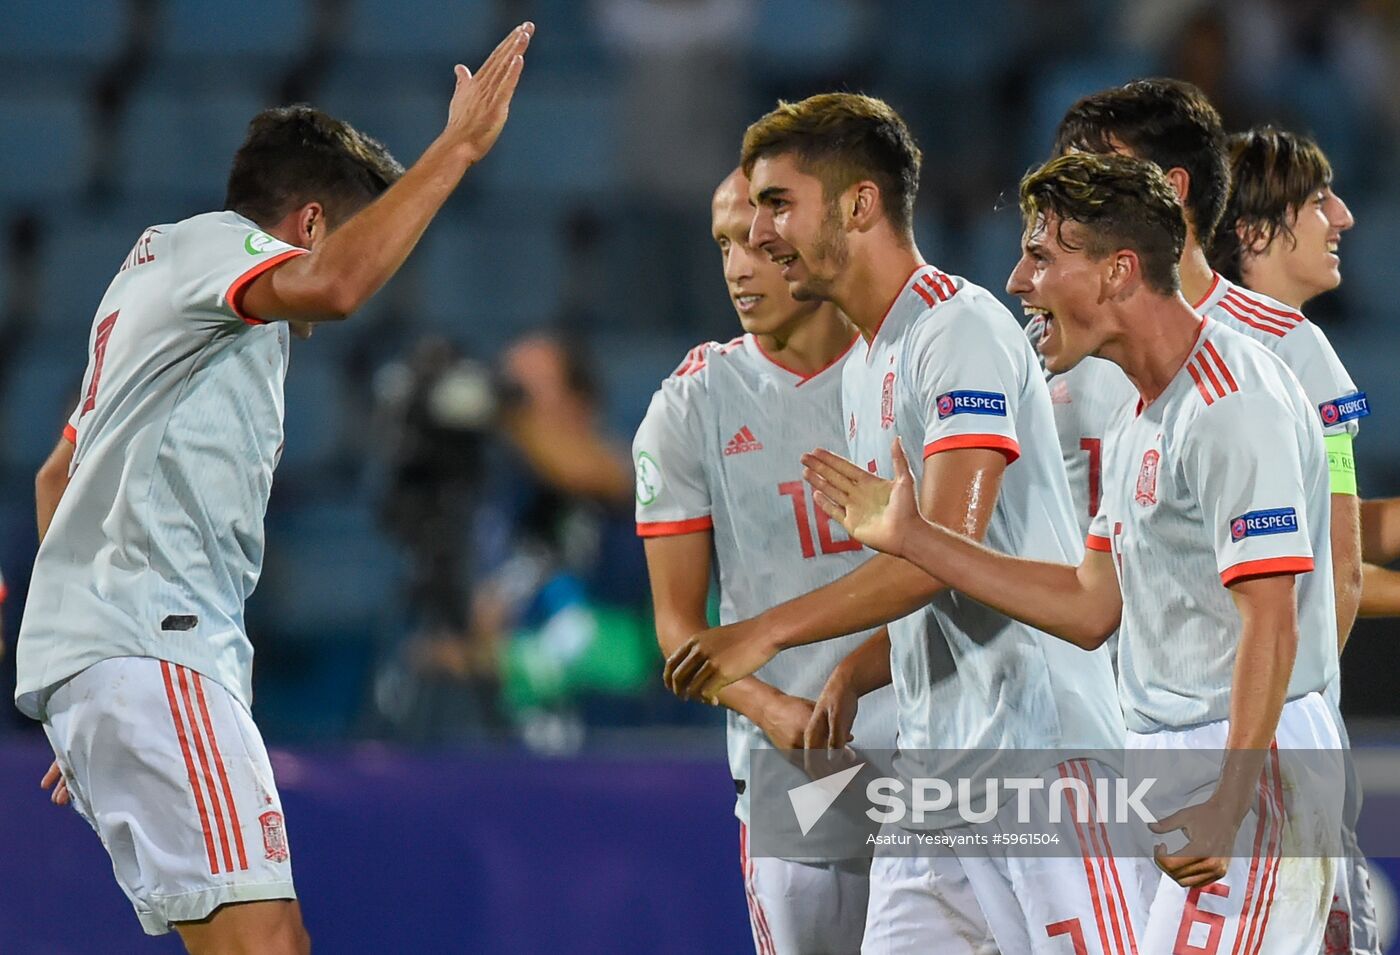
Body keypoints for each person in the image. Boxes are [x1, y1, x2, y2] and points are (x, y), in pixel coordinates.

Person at [17, 23, 533, 953]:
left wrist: (80, 660)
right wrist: (455, 146)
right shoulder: (216, 249)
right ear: (307, 225)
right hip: (161, 647)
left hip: (123, 657)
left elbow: (60, 473)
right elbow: (335, 286)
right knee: (269, 946)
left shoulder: (148, 281)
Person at [804, 151, 1343, 953]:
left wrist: (1231, 803)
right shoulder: (1139, 416)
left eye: (1043, 255)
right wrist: (918, 540)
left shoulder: (1235, 406)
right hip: (1168, 759)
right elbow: (1092, 606)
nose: (1019, 280)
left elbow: (1272, 622)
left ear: (1119, 271)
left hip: (1250, 763)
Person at [665, 94, 1134, 955]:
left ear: (858, 205)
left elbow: (939, 554)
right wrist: (858, 667)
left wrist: (764, 633)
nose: (763, 235)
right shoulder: (867, 362)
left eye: (779, 205)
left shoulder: (957, 331)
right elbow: (928, 577)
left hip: (1040, 763)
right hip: (938, 778)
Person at [635, 167, 897, 954]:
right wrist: (772, 708)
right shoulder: (691, 404)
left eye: (755, 240)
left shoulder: (911, 367)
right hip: (799, 767)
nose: (737, 267)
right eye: (723, 245)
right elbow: (680, 628)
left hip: (937, 738)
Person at [1050, 78, 1364, 656]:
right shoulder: (1052, 353)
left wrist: (1272, 723)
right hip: (1092, 719)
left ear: (1171, 189)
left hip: (1231, 722)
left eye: (1095, 181)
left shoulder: (1289, 347)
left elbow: (1337, 573)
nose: (1069, 207)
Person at [1209, 124, 1385, 955]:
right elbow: (1340, 573)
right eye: (1316, 200)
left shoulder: (1168, 335)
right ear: (1251, 231)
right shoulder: (1296, 347)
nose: (1343, 217)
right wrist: (1297, 715)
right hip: (1276, 731)